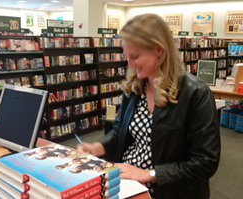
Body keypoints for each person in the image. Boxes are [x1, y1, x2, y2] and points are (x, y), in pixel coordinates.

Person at [77, 13, 220, 199]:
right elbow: (121, 131)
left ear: (159, 50)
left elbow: (205, 161)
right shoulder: (135, 87)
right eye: (127, 56)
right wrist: (98, 147)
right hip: (128, 182)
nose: (129, 64)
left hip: (167, 189)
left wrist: (150, 174)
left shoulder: (196, 93)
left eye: (135, 56)